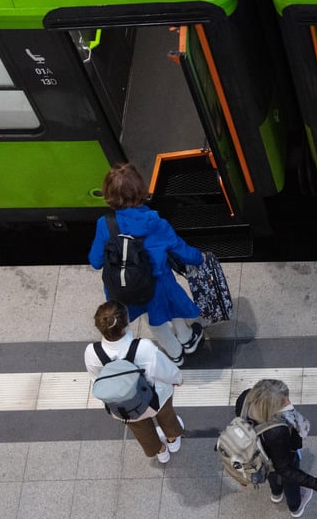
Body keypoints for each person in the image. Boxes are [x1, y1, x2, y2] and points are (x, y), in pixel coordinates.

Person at [89, 163, 205, 366]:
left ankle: (175, 354)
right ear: (140, 190)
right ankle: (187, 339)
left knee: (154, 321)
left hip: (126, 286)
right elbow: (180, 249)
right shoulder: (156, 223)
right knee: (173, 307)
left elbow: (96, 261)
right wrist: (199, 258)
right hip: (159, 284)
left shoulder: (104, 223)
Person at [84, 300, 184, 463]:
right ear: (126, 323)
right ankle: (172, 440)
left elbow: (96, 380)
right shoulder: (144, 347)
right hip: (155, 398)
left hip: (125, 406)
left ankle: (161, 451)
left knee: (140, 428)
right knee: (166, 417)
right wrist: (177, 379)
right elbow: (165, 370)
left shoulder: (92, 352)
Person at [234, 379, 317, 517]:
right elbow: (285, 469)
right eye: (283, 402)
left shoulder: (245, 398)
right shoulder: (277, 431)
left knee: (272, 475)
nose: (289, 403)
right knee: (289, 481)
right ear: (270, 408)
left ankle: (276, 494)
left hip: (259, 456)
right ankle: (295, 507)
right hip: (278, 456)